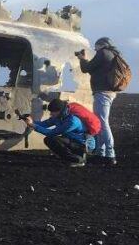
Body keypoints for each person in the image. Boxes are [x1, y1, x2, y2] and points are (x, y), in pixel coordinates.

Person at [76, 37, 123, 165]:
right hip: (108, 92)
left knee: (102, 122)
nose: (94, 48)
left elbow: (87, 68)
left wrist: (82, 59)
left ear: (102, 45)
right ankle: (100, 153)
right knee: (101, 122)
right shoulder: (113, 54)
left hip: (102, 92)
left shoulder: (102, 53)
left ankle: (110, 154)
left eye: (96, 46)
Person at [26, 99, 95, 167]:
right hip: (73, 141)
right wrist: (29, 120)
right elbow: (44, 124)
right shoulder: (59, 117)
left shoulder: (72, 121)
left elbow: (52, 133)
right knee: (51, 140)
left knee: (51, 139)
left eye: (52, 112)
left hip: (83, 144)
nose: (50, 114)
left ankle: (78, 160)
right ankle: (71, 156)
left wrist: (33, 125)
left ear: (59, 111)